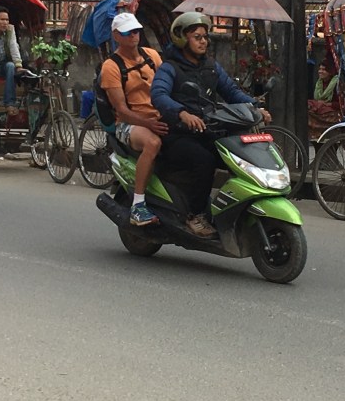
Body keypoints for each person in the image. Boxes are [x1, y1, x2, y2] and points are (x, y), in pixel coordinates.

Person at [151, 12, 270, 238]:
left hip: (206, 130)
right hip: (177, 135)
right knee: (203, 161)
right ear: (182, 39)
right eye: (197, 37)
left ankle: (229, 210)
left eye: (205, 37)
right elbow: (158, 95)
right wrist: (181, 113)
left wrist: (255, 108)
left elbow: (231, 91)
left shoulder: (211, 66)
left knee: (238, 157)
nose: (203, 41)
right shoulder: (170, 68)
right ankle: (194, 215)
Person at [99, 12, 167, 227]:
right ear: (117, 36)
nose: (134, 36)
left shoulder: (152, 56)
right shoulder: (111, 66)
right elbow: (122, 109)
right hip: (129, 124)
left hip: (159, 116)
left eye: (136, 31)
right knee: (153, 143)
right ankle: (138, 205)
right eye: (128, 32)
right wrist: (149, 123)